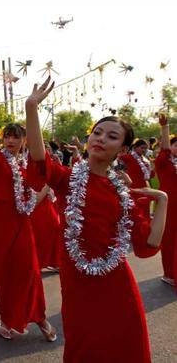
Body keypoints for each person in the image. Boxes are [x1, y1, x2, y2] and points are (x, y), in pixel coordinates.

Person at [25, 77, 168, 363]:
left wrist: (162, 200)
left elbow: (147, 244)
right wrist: (31, 107)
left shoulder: (124, 194)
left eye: (112, 137)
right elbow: (40, 161)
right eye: (97, 132)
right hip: (78, 281)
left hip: (117, 282)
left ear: (122, 150)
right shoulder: (68, 179)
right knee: (84, 344)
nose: (101, 138)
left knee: (126, 344)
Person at [0, 100, 56, 341]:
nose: (11, 141)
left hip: (21, 220)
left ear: (24, 140)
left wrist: (41, 195)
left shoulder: (27, 163)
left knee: (30, 270)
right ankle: (6, 318)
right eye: (8, 137)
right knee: (4, 273)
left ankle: (40, 317)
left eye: (16, 137)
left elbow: (41, 183)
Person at [154, 113, 177, 288]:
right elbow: (165, 149)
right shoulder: (163, 162)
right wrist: (165, 128)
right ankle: (169, 273)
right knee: (169, 240)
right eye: (176, 144)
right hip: (168, 207)